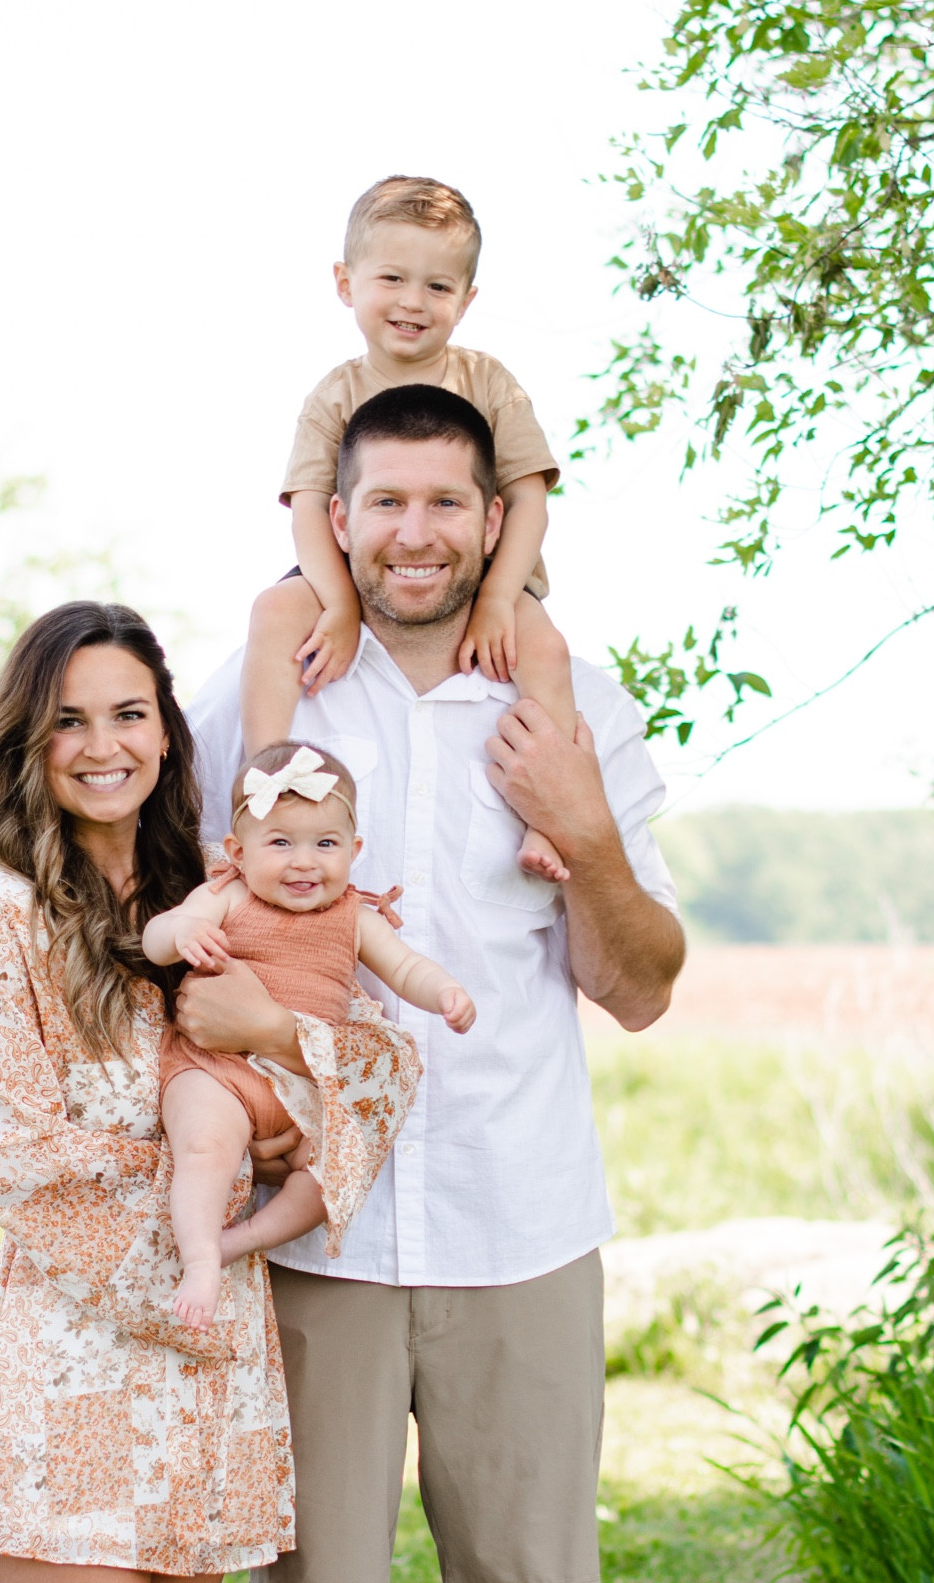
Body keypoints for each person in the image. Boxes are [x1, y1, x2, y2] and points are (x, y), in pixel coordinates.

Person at [188, 388, 686, 1583]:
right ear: (339, 520)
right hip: (310, 1235)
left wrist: (586, 832)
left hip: (519, 1223)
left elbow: (643, 988)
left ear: (495, 517)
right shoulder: (255, 697)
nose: (417, 532)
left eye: (446, 502)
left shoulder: (576, 707)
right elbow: (168, 917)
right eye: (388, 501)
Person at [0, 601, 420, 1583]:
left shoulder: (229, 883)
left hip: (206, 1367)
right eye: (68, 719)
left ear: (166, 729)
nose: (102, 745)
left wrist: (277, 1062)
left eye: (129, 713)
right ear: (28, 738)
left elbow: (383, 1062)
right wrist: (220, 1171)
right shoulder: (3, 918)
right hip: (80, 1352)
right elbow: (14, 1154)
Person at [238, 173, 572, 880]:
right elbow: (308, 506)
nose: (413, 302)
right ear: (345, 281)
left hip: (487, 568)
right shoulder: (335, 393)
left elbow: (529, 498)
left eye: (438, 287)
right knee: (274, 612)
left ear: (467, 299)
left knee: (545, 651)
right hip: (352, 567)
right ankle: (259, 793)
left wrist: (496, 598)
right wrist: (338, 606)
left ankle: (554, 816)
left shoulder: (489, 382)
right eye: (392, 277)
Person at [143, 739, 475, 1330]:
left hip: (302, 1084)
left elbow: (405, 968)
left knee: (332, 1173)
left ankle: (239, 1240)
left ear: (355, 850)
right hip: (218, 1069)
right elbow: (159, 934)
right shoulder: (226, 895)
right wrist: (183, 935)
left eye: (325, 844)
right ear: (237, 854)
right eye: (280, 843)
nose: (304, 862)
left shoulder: (356, 916)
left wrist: (445, 991)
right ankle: (198, 1258)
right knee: (205, 1147)